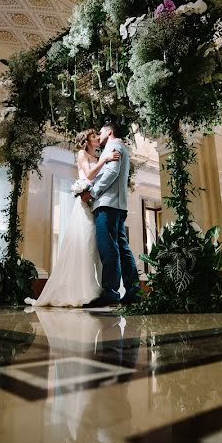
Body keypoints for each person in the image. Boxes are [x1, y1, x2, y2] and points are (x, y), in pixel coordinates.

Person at [25, 129, 120, 307]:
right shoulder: (82, 154)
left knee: (94, 248)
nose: (98, 138)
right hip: (84, 206)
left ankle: (96, 288)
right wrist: (104, 161)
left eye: (98, 135)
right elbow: (89, 175)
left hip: (96, 204)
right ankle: (81, 290)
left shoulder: (99, 156)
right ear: (86, 141)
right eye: (94, 136)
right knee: (83, 245)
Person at [80, 122, 141, 307]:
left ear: (109, 131)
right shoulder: (121, 147)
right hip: (118, 205)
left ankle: (111, 292)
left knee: (108, 249)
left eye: (100, 132)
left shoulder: (113, 146)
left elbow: (111, 173)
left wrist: (92, 193)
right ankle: (132, 291)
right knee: (122, 247)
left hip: (107, 204)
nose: (99, 136)